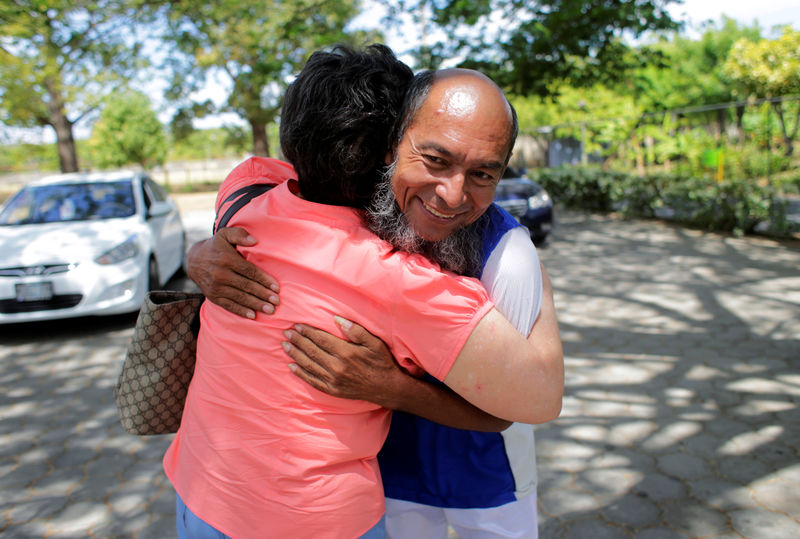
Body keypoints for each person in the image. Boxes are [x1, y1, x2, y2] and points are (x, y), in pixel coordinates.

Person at [166, 44, 563, 539]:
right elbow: (541, 399)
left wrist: (200, 252)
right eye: (434, 156)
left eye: (483, 172)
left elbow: (262, 174)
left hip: (198, 496)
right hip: (317, 522)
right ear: (389, 150)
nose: (454, 194)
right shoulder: (400, 281)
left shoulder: (246, 197)